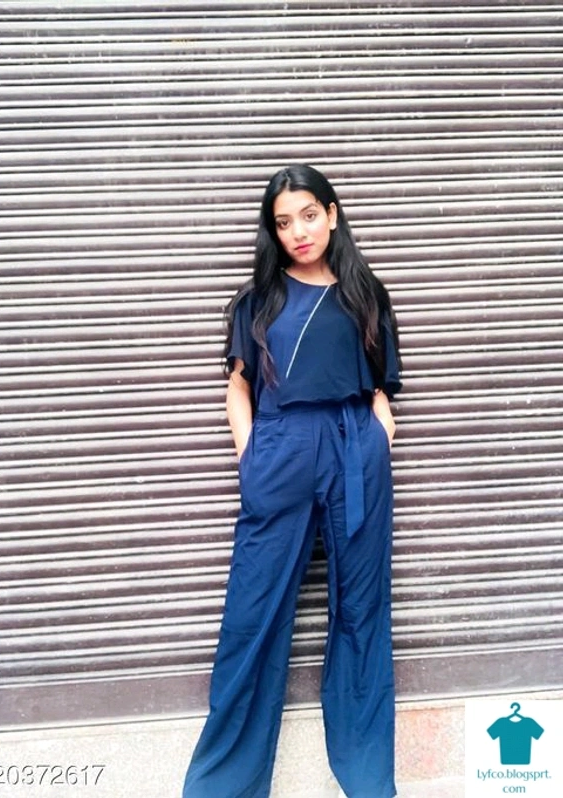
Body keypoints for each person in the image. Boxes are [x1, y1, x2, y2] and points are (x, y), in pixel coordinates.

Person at [183, 164, 402, 798]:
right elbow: (239, 387)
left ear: (332, 214)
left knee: (362, 612)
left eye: (308, 215)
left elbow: (382, 388)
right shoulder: (259, 299)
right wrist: (252, 455)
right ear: (273, 232)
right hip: (280, 448)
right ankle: (223, 786)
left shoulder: (366, 294)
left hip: (354, 446)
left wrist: (377, 439)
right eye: (284, 222)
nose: (299, 232)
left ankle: (368, 780)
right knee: (251, 614)